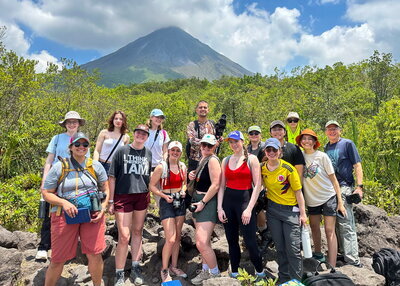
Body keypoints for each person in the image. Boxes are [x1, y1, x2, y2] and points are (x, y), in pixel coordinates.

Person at [41, 132, 109, 286]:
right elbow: (46, 193)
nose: (81, 147)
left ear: (88, 147)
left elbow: (105, 189)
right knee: (58, 259)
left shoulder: (95, 166)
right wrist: (64, 203)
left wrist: (103, 207)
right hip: (64, 215)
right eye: (77, 144)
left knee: (95, 254)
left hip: (92, 215)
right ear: (70, 147)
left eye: (85, 144)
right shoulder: (60, 167)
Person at [36, 111, 89, 261]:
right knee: (49, 213)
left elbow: (86, 161)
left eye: (75, 122)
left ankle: (67, 248)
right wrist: (44, 181)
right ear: (65, 124)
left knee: (72, 211)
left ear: (79, 124)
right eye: (69, 122)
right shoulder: (57, 138)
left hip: (74, 182)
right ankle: (43, 246)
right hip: (56, 179)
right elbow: (49, 160)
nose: (72, 124)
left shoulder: (82, 138)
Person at [108, 124, 152, 286]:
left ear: (147, 136)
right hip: (123, 195)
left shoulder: (148, 153)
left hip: (141, 195)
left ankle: (135, 267)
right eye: (138, 133)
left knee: (138, 231)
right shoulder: (122, 151)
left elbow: (147, 176)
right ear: (134, 134)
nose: (141, 135)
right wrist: (111, 201)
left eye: (144, 134)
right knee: (124, 236)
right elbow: (112, 177)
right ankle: (119, 272)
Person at [296, 129, 347, 266]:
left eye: (309, 139)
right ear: (300, 142)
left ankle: (332, 264)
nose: (306, 141)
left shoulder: (322, 156)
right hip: (311, 199)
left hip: (328, 196)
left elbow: (334, 180)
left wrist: (340, 202)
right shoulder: (299, 157)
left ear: (314, 142)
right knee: (314, 227)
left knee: (329, 230)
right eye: (304, 139)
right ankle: (318, 255)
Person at [218, 131, 265, 279]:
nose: (233, 144)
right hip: (228, 203)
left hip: (245, 202)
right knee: (231, 240)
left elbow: (257, 185)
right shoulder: (226, 160)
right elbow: (221, 186)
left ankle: (260, 271)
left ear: (242, 141)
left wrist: (250, 209)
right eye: (231, 142)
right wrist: (220, 208)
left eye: (236, 141)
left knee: (250, 241)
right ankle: (235, 271)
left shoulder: (251, 159)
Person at [261, 138, 307, 283]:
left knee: (293, 248)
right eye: (269, 150)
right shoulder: (262, 168)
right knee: (280, 248)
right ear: (265, 152)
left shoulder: (288, 169)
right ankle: (283, 279)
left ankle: (296, 281)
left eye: (275, 150)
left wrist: (303, 214)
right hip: (273, 211)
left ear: (280, 151)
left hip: (291, 212)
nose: (272, 152)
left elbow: (299, 192)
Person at [324, 120, 363, 268]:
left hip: (345, 187)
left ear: (340, 130)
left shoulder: (347, 144)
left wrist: (359, 187)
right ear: (326, 132)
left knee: (346, 223)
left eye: (334, 129)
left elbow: (357, 165)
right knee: (335, 225)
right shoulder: (326, 147)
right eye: (329, 129)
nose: (332, 131)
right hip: (331, 189)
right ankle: (341, 253)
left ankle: (353, 260)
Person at [149, 141, 187, 283]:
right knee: (170, 238)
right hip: (167, 202)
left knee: (177, 237)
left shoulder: (182, 166)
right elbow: (152, 186)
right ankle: (164, 270)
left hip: (179, 201)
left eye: (178, 150)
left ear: (180, 153)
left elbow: (184, 183)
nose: (175, 153)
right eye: (173, 150)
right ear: (169, 151)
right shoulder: (161, 167)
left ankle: (174, 266)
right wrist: (164, 196)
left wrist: (183, 191)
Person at [188, 134, 221, 285]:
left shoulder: (213, 160)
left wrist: (203, 202)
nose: (206, 148)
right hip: (197, 199)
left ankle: (215, 274)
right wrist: (192, 176)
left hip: (206, 202)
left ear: (215, 147)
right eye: (204, 145)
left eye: (210, 146)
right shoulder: (203, 159)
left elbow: (215, 185)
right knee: (204, 242)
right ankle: (205, 270)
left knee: (201, 243)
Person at [246, 125, 271, 250]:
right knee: (254, 208)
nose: (254, 135)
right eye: (251, 133)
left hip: (263, 182)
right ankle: (262, 233)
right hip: (249, 182)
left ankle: (266, 233)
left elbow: (267, 163)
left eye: (256, 133)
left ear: (260, 134)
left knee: (259, 207)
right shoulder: (247, 148)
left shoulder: (265, 148)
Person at [186, 101, 215, 172]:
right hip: (195, 160)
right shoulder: (192, 125)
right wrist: (209, 143)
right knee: (192, 182)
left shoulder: (212, 125)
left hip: (209, 160)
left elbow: (215, 141)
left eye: (205, 107)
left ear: (208, 110)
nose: (203, 109)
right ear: (196, 110)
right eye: (200, 107)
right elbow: (192, 141)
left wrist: (218, 141)